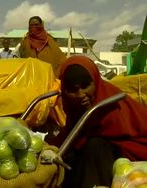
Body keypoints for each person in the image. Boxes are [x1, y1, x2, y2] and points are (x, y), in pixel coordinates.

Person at [48, 55, 147, 188]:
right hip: (100, 154)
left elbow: (87, 137)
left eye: (85, 86)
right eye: (73, 90)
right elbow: (72, 132)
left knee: (95, 147)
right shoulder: (76, 109)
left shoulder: (111, 104)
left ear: (95, 81)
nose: (81, 94)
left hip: (130, 154)